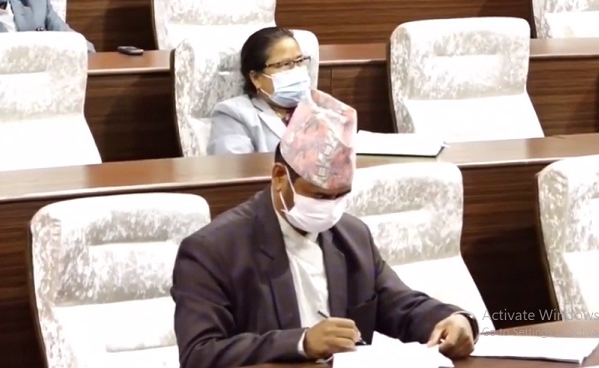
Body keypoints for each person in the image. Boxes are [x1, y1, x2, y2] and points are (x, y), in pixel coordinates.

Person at [172, 92, 479, 368]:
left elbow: (401, 305)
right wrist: (301, 342)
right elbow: (199, 354)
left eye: (340, 195)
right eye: (319, 195)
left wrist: (454, 319)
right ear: (279, 177)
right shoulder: (213, 250)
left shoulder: (352, 235)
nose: (330, 208)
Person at [207, 27, 310, 155]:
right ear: (256, 78)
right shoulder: (233, 114)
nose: (296, 70)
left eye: (300, 61)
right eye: (284, 64)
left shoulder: (318, 108)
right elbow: (234, 165)